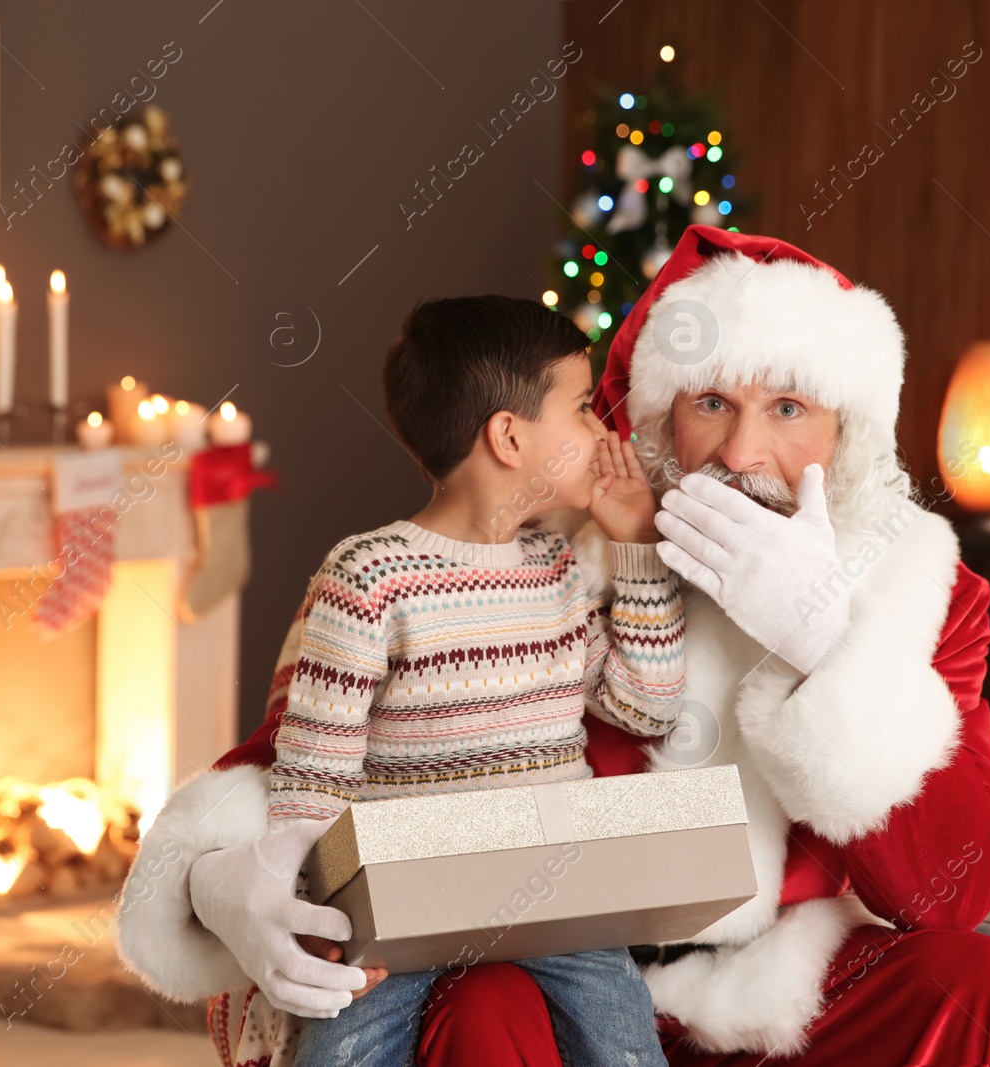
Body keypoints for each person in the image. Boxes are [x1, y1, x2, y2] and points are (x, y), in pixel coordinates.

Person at [117, 228, 990, 1066]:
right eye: (713, 402)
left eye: (791, 407)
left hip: (783, 984)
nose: (740, 453)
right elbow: (294, 756)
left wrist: (825, 641)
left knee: (980, 981)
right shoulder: (546, 554)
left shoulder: (917, 592)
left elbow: (952, 891)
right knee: (483, 997)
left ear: (847, 432)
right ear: (658, 419)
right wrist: (216, 879)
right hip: (562, 989)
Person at [219, 295, 687, 1067]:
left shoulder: (562, 572)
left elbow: (647, 704)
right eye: (580, 409)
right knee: (341, 1050)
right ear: (508, 436)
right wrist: (308, 917)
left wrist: (635, 547)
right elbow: (312, 778)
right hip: (401, 908)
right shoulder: (368, 577)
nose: (604, 432)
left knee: (624, 1040)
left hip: (558, 896)